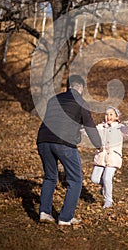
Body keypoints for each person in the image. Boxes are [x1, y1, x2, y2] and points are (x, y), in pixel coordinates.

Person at [37, 74, 102, 226]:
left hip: (43, 140)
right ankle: (65, 218)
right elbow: (90, 126)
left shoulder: (54, 99)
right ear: (81, 88)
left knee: (50, 177)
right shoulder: (81, 102)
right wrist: (99, 144)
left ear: (67, 87)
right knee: (75, 179)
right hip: (64, 143)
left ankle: (45, 212)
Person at [91, 106, 128, 208]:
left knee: (107, 178)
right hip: (101, 157)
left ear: (116, 117)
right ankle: (104, 186)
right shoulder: (100, 127)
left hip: (113, 157)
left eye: (111, 114)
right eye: (106, 114)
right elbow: (91, 132)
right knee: (94, 179)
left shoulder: (119, 127)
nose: (108, 117)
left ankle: (108, 201)